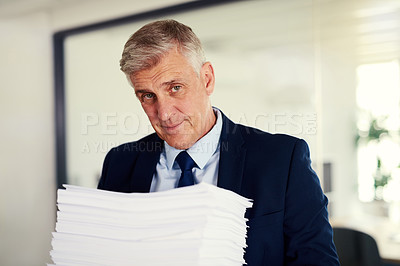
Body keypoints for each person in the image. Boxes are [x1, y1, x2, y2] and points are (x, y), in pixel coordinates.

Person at [98, 19, 339, 265]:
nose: (164, 113)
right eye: (148, 96)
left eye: (175, 88)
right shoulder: (119, 163)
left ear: (207, 79)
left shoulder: (282, 160)